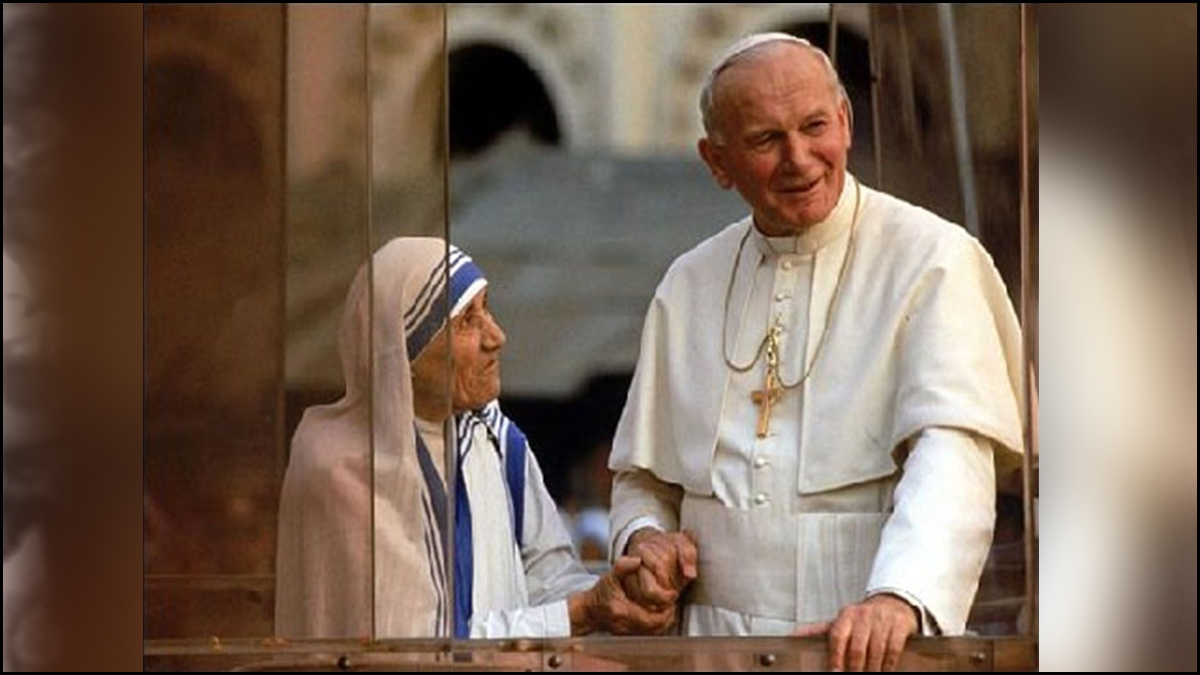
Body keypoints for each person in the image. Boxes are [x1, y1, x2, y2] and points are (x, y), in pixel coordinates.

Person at [608, 33, 1024, 671]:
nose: (799, 159)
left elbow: (953, 454)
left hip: (866, 642)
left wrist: (901, 597)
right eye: (765, 140)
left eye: (814, 127)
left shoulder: (932, 258)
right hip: (712, 650)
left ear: (846, 122)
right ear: (717, 162)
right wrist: (645, 539)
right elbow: (643, 478)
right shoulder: (688, 283)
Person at [276, 237, 673, 639]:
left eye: (487, 308)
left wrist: (624, 594)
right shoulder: (344, 465)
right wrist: (580, 613)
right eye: (467, 320)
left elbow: (549, 580)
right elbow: (409, 644)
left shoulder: (494, 438)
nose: (496, 336)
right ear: (404, 351)